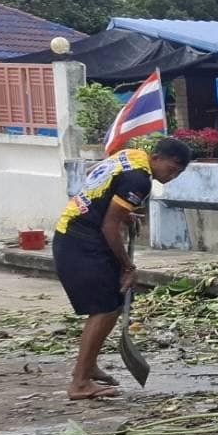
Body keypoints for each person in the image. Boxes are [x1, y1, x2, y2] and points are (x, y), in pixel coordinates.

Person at [52, 138, 191, 400]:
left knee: (113, 305)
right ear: (157, 157)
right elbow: (109, 227)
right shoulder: (139, 179)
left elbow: (99, 185)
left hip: (73, 234)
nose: (171, 177)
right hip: (81, 242)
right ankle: (80, 383)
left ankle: (89, 365)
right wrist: (128, 266)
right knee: (104, 310)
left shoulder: (130, 156)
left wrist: (122, 212)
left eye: (178, 173)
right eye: (171, 169)